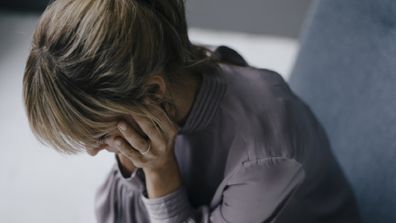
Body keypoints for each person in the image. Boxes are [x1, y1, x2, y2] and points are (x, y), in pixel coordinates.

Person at [22, 0, 362, 222]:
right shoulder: (167, 67)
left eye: (97, 134)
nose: (95, 150)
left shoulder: (265, 157)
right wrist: (135, 163)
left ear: (153, 91)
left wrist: (158, 172)